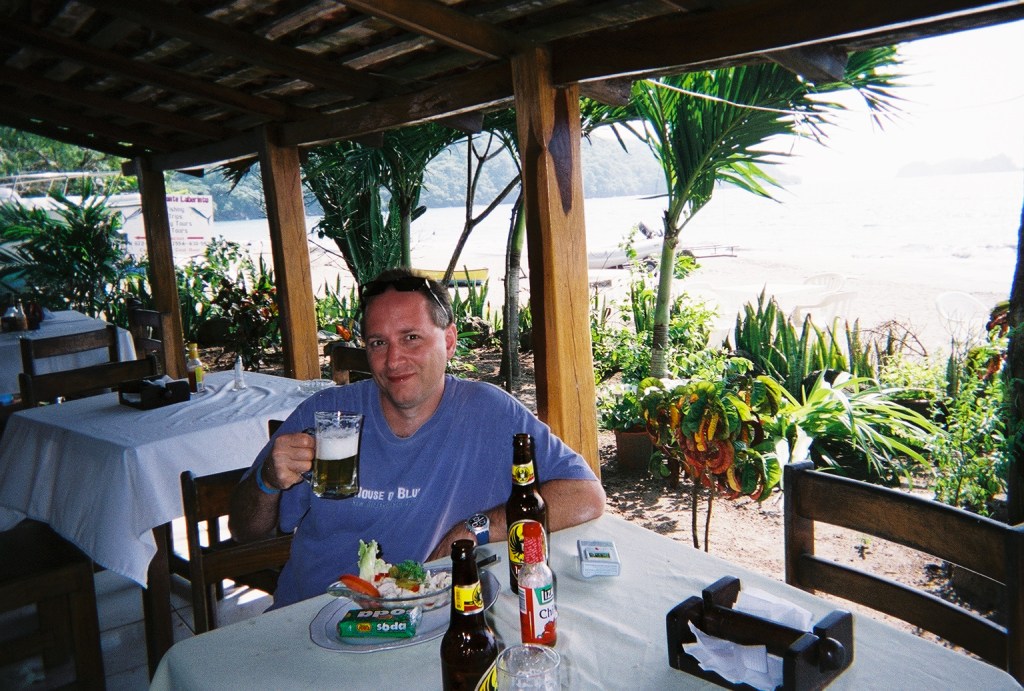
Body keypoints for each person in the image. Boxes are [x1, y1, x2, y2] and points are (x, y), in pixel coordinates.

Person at [229, 268, 605, 608]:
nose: (393, 360)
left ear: (450, 341)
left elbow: (584, 495)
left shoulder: (489, 413)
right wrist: (267, 480)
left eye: (411, 338)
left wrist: (475, 526)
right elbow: (245, 531)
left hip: (427, 617)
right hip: (315, 616)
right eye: (378, 343)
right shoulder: (325, 415)